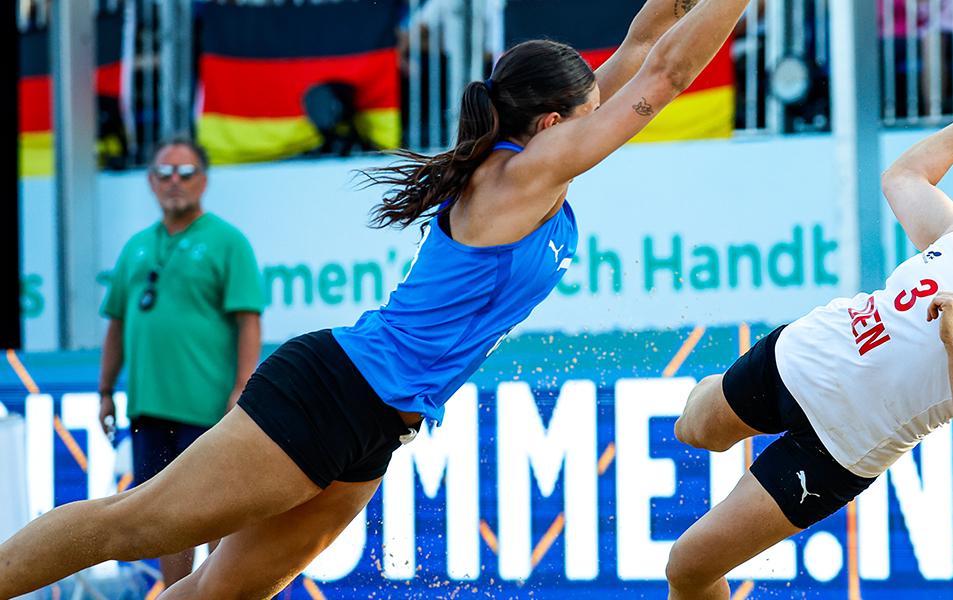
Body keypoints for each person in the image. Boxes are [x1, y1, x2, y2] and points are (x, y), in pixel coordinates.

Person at [0, 0, 752, 595]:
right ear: (550, 124)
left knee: (223, 593)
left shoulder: (542, 156)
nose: (603, 121)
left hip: (379, 429)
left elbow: (642, 47)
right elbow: (665, 78)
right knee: (131, 525)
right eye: (590, 113)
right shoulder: (522, 172)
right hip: (333, 392)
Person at [667, 69, 953, 600]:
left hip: (837, 450)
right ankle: (711, 394)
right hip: (798, 357)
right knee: (693, 430)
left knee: (687, 567)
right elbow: (903, 177)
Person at [97, 138, 264, 588]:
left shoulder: (227, 241)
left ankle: (218, 594)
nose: (175, 182)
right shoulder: (134, 246)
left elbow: (248, 318)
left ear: (204, 180)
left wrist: (241, 386)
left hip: (209, 407)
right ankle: (175, 596)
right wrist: (106, 390)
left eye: (186, 172)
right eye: (165, 173)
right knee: (164, 517)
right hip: (148, 406)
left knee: (213, 510)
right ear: (150, 182)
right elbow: (116, 324)